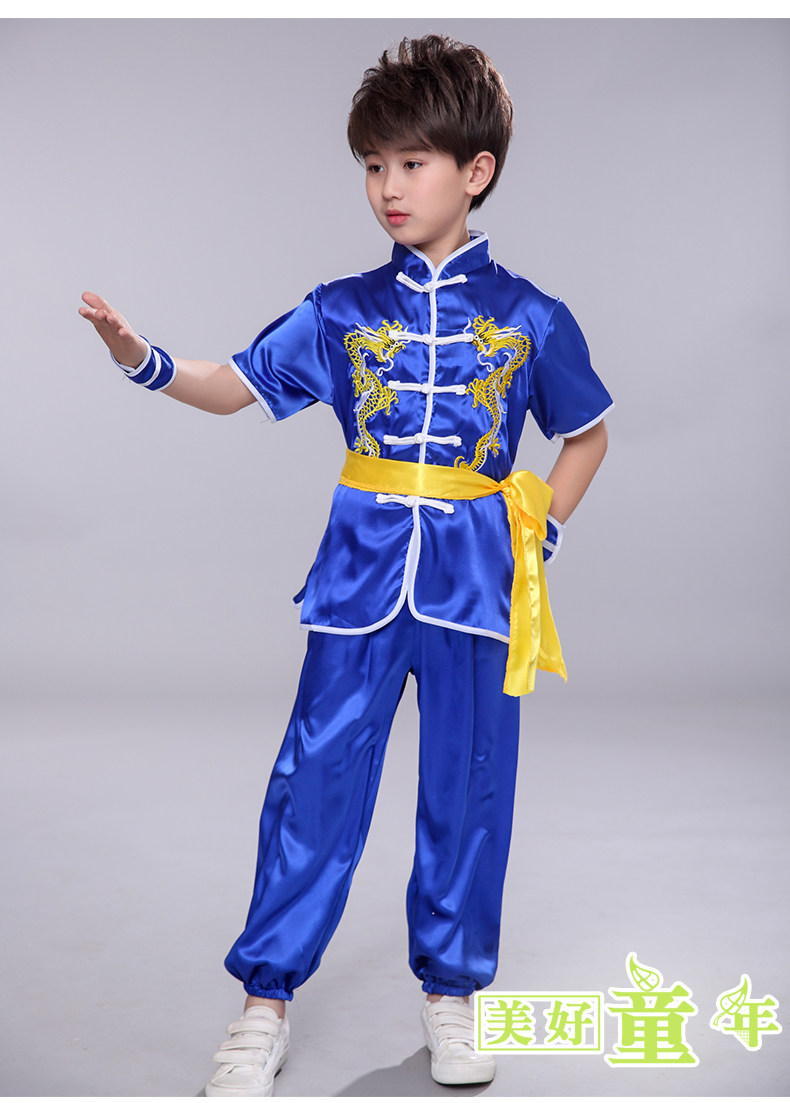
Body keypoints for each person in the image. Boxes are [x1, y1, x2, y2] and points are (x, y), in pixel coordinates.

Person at [79, 34, 612, 1097]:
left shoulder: (531, 316)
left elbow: (587, 435)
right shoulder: (340, 309)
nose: (387, 187)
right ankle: (263, 1002)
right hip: (358, 583)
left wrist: (534, 535)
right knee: (314, 783)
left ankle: (452, 993)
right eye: (373, 165)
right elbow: (233, 384)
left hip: (477, 592)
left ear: (475, 171)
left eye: (411, 162)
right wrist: (141, 359)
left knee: (469, 789)